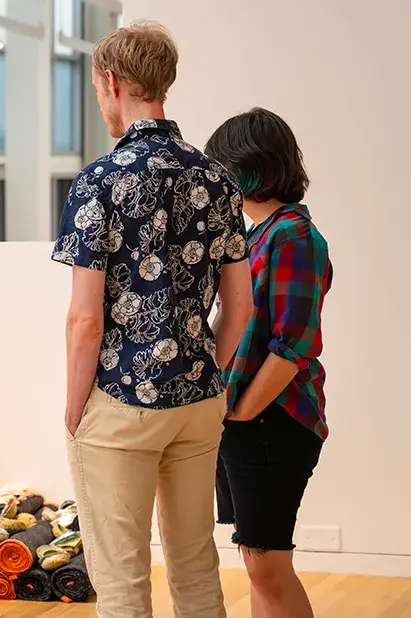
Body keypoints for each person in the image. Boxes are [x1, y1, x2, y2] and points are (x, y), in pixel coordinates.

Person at [52, 21, 254, 618]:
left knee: (120, 579)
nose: (100, 102)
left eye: (96, 90)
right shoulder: (216, 179)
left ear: (112, 82)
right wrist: (207, 369)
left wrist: (74, 404)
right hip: (197, 403)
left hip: (121, 402)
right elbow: (240, 305)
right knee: (195, 566)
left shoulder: (100, 182)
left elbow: (84, 320)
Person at [205, 108, 333, 618]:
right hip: (250, 424)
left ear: (246, 167)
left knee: (267, 566)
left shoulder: (292, 236)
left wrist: (239, 414)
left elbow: (293, 347)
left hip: (272, 423)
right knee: (257, 562)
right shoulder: (259, 235)